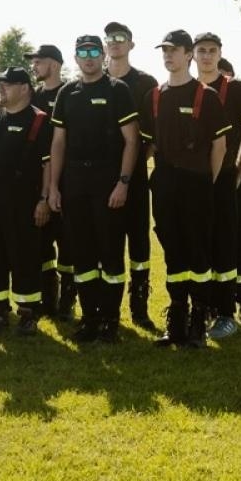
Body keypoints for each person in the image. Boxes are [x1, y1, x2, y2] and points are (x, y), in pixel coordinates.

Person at [47, 35, 140, 343]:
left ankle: (110, 320)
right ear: (76, 58)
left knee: (110, 253)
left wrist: (123, 183)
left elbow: (131, 141)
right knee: (82, 255)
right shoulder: (67, 93)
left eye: (94, 52)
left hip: (107, 182)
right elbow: (58, 143)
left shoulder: (117, 90)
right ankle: (90, 319)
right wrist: (53, 187)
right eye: (83, 52)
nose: (88, 58)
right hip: (75, 183)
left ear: (102, 56)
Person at [142, 30, 229, 349]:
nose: (168, 55)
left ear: (188, 54)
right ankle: (176, 320)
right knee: (173, 252)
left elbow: (220, 146)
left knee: (198, 251)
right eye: (164, 50)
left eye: (174, 50)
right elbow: (148, 145)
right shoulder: (155, 96)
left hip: (196, 183)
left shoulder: (206, 96)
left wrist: (208, 181)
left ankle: (198, 321)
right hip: (165, 184)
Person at [0, 67, 54, 336]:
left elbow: (48, 165)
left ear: (25, 88)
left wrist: (44, 200)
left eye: (8, 84)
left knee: (24, 255)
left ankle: (27, 313)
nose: (0, 88)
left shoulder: (39, 120)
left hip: (23, 199)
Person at [193, 32, 241, 339]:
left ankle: (233, 308)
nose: (206, 56)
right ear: (192, 55)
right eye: (201, 51)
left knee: (232, 242)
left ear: (219, 54)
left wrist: (239, 172)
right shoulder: (187, 89)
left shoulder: (235, 89)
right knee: (201, 242)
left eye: (212, 50)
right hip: (196, 181)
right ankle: (203, 306)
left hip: (227, 180)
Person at [105, 21, 159, 328]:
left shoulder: (145, 82)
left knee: (138, 242)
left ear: (131, 44)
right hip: (99, 178)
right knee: (107, 243)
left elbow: (153, 133)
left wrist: (137, 162)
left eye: (120, 37)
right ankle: (107, 310)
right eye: (110, 38)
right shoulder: (95, 80)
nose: (115, 42)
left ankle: (139, 307)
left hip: (135, 177)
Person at [29, 42, 74, 318]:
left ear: (54, 64)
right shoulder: (32, 97)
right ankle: (48, 298)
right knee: (41, 242)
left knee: (68, 243)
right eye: (33, 62)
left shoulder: (70, 94)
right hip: (38, 182)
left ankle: (68, 300)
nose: (34, 66)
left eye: (39, 61)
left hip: (67, 181)